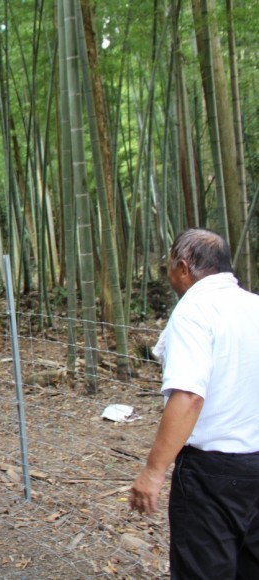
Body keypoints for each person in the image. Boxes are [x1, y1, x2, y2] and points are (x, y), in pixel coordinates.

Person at [129, 228, 259, 578]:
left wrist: (153, 473)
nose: (169, 275)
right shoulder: (255, 306)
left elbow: (188, 396)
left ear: (183, 268)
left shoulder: (193, 311)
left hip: (213, 474)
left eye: (168, 267)